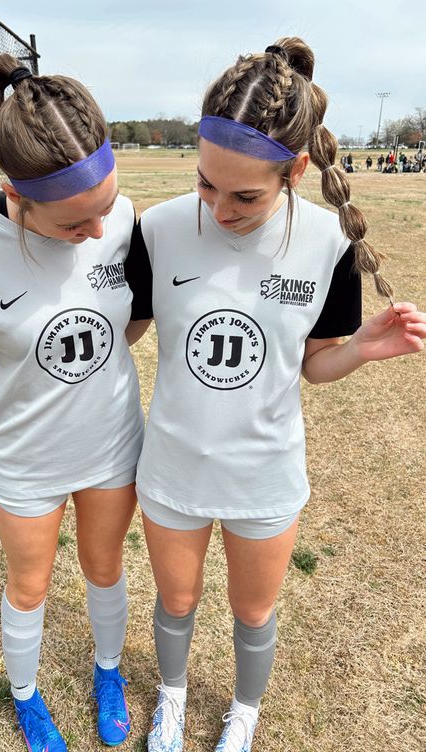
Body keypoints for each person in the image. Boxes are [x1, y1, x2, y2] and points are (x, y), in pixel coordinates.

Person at [126, 37, 426, 752]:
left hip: (265, 472)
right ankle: (170, 696)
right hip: (172, 466)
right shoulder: (160, 228)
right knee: (175, 599)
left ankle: (245, 712)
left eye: (246, 195)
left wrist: (358, 348)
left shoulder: (326, 245)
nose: (219, 209)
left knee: (253, 611)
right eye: (206, 183)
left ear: (295, 170)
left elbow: (314, 366)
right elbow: (122, 329)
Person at [0, 53, 148, 752]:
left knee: (106, 568)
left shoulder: (121, 221)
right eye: (76, 224)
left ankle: (108, 672)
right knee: (31, 584)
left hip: (110, 442)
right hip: (25, 457)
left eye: (106, 208)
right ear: (16, 195)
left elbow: (127, 325)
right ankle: (26, 696)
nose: (99, 231)